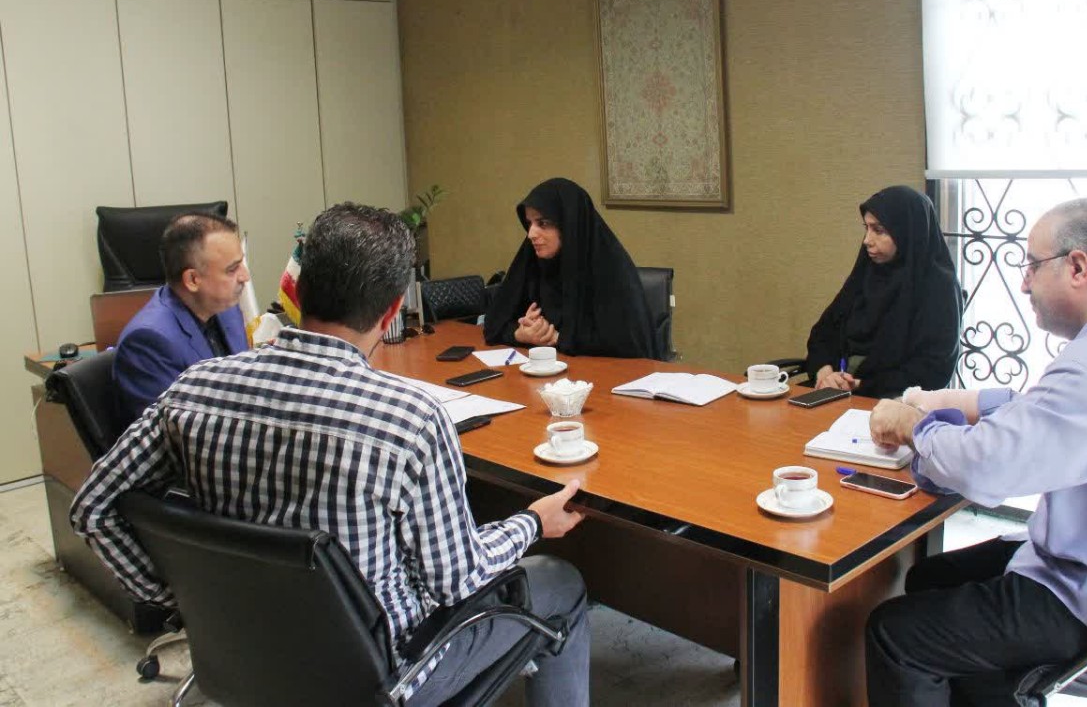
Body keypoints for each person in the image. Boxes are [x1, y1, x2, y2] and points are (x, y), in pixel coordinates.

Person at [72, 203, 591, 706]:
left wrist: (183, 599)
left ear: (297, 290)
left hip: (242, 652)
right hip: (381, 676)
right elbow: (456, 580)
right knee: (559, 581)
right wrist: (530, 522)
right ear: (392, 311)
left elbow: (93, 508)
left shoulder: (192, 390)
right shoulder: (408, 420)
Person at [864, 198, 1087, 706]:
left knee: (896, 634)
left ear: (1078, 267)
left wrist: (914, 428)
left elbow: (985, 470)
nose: (1024, 284)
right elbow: (1057, 416)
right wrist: (962, 401)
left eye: (1032, 265)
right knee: (930, 576)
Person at [803, 185, 963, 398]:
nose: (867, 240)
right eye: (867, 228)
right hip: (837, 394)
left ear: (907, 233)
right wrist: (825, 373)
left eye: (879, 230)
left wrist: (860, 384)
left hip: (895, 402)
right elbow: (823, 334)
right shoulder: (867, 273)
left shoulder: (938, 287)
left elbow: (933, 370)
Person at [484, 177, 659, 358]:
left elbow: (627, 343)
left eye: (543, 223)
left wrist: (558, 338)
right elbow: (494, 323)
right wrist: (521, 333)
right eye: (529, 223)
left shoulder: (611, 271)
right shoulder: (531, 261)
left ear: (569, 225)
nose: (531, 234)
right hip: (542, 370)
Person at [112, 212, 250, 428]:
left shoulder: (226, 309)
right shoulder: (147, 342)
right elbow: (174, 433)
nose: (245, 276)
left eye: (241, 263)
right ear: (193, 279)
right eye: (232, 269)